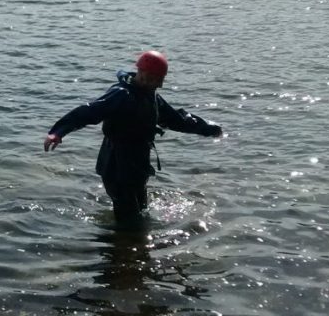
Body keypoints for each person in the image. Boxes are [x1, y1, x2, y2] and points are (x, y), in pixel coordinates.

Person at [43, 51, 222, 225]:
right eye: (157, 80)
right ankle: (121, 242)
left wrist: (208, 129)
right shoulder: (121, 95)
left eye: (161, 80)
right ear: (143, 75)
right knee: (129, 222)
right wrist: (58, 132)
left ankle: (129, 240)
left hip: (138, 166)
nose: (160, 85)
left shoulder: (151, 96)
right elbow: (88, 112)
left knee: (141, 212)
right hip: (117, 167)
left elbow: (176, 119)